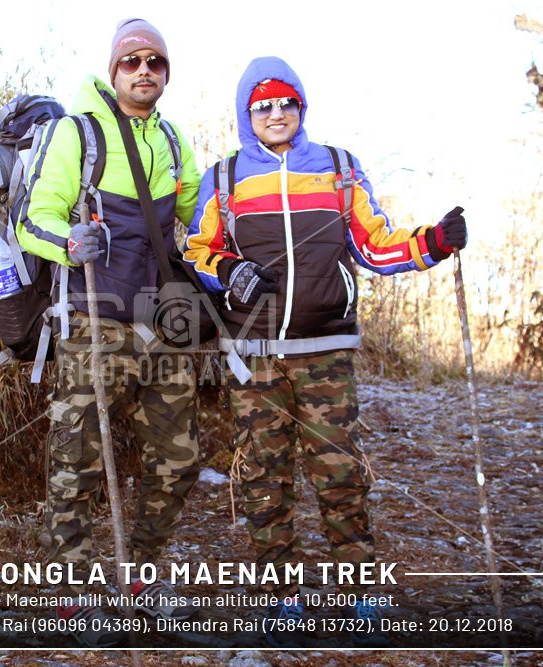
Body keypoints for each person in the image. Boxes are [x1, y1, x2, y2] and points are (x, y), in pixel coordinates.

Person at [183, 56, 468, 648]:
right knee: (264, 472)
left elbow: (376, 246)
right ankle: (279, 594)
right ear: (246, 116)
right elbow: (197, 251)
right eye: (263, 106)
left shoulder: (338, 169)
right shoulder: (226, 177)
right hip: (254, 351)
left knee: (339, 469)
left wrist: (434, 242)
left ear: (302, 108)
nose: (276, 113)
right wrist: (230, 271)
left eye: (286, 102)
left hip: (326, 349)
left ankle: (358, 588)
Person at [15, 18, 203, 647]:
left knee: (178, 457)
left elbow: (199, 218)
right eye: (132, 62)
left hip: (161, 323)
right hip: (91, 317)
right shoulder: (80, 133)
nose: (144, 71)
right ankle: (71, 587)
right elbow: (31, 220)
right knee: (76, 458)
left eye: (155, 61)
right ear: (114, 70)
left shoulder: (174, 142)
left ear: (165, 72)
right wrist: (70, 242)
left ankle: (142, 576)